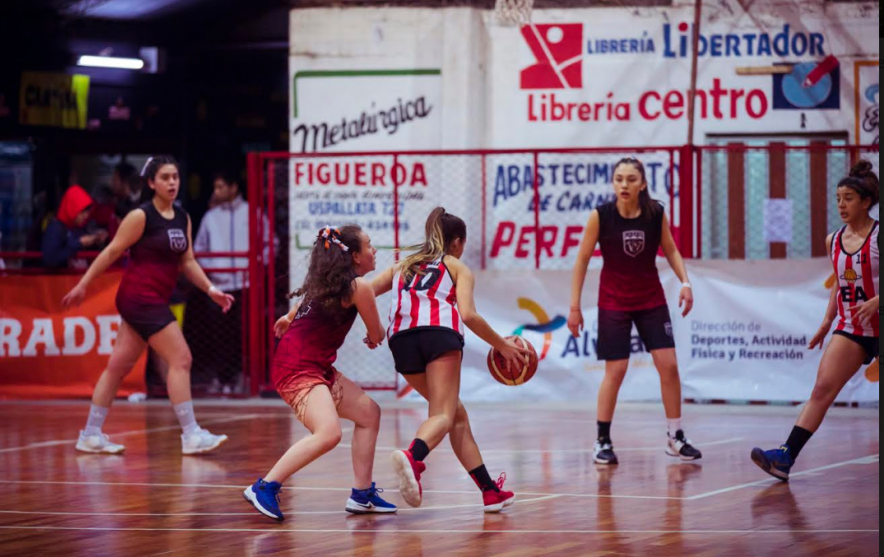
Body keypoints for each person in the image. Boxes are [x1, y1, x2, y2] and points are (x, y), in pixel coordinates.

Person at [62, 156, 234, 455]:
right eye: (165, 177)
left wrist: (210, 289)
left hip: (153, 299)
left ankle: (90, 434)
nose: (172, 183)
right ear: (151, 183)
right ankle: (191, 434)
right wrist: (83, 284)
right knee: (181, 358)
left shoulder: (183, 218)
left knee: (117, 366)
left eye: (175, 177)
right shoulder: (141, 216)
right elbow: (111, 251)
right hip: (139, 298)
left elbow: (188, 261)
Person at [369, 207, 529, 512]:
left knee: (456, 415)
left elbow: (362, 291)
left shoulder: (402, 265)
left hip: (401, 342)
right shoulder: (456, 266)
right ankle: (413, 456)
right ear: (456, 242)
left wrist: (371, 327)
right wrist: (503, 346)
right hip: (438, 336)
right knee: (442, 415)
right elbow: (468, 314)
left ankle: (490, 491)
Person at [244, 226, 397, 521]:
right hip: (297, 368)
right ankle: (264, 487)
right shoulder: (358, 288)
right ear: (354, 256)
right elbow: (376, 334)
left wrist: (289, 317)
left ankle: (362, 493)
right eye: (369, 245)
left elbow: (303, 305)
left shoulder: (331, 284)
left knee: (369, 414)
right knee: (329, 433)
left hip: (312, 365)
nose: (374, 250)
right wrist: (375, 334)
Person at [567, 157, 702, 466]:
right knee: (616, 370)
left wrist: (685, 282)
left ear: (642, 184)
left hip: (650, 299)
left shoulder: (655, 214)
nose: (624, 185)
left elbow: (671, 249)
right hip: (613, 301)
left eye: (630, 179)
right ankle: (602, 440)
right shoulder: (600, 216)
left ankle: (675, 437)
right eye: (618, 179)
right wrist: (574, 307)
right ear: (613, 183)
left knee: (668, 365)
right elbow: (582, 261)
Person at [751, 160, 879, 481]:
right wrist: (827, 320)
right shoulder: (833, 240)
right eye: (838, 198)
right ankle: (785, 456)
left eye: (848, 198)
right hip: (853, 328)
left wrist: (878, 300)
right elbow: (840, 280)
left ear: (866, 202)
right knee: (822, 389)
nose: (841, 204)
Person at [192, 170, 249, 394]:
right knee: (218, 335)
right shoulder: (210, 217)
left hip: (245, 285)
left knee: (241, 335)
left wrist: (252, 267)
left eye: (220, 187)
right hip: (218, 287)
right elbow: (199, 249)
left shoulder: (251, 213)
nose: (216, 192)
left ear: (233, 188)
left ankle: (239, 377)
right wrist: (212, 272)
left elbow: (269, 244)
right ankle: (222, 378)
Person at [41, 185, 108, 270]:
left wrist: (95, 240)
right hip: (58, 281)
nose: (86, 216)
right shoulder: (55, 228)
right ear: (72, 208)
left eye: (87, 212)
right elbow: (50, 259)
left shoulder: (76, 228)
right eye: (82, 211)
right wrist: (79, 243)